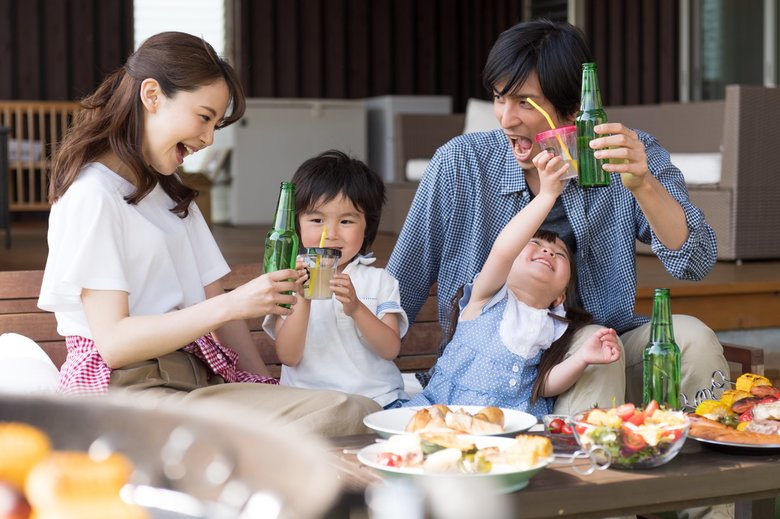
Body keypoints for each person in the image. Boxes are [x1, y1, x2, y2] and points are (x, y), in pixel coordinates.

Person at [37, 32, 380, 437]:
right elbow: (114, 342)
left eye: (216, 124)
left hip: (196, 380)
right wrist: (235, 304)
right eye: (204, 117)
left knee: (359, 411)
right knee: (343, 416)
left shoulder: (169, 193)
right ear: (152, 95)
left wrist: (265, 386)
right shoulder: (93, 195)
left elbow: (218, 302)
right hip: (129, 389)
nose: (208, 138)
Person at [387, 19, 730, 415]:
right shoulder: (460, 165)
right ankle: (588, 473)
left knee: (692, 339)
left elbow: (696, 261)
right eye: (500, 98)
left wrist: (643, 184)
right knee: (598, 352)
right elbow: (400, 290)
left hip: (605, 346)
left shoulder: (628, 154)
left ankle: (708, 469)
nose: (505, 118)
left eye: (524, 103)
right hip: (494, 371)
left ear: (572, 108)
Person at [405, 147, 620, 416]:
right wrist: (547, 196)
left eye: (560, 254)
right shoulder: (487, 298)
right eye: (535, 244)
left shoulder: (550, 326)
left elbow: (543, 385)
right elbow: (504, 250)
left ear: (560, 297)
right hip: (447, 412)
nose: (548, 251)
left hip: (511, 424)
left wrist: (582, 359)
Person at [263, 150, 410, 409]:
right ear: (297, 224)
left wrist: (357, 309)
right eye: (317, 220)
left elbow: (389, 350)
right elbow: (289, 356)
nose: (330, 234)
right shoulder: (287, 280)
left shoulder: (379, 281)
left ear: (367, 228)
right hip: (308, 404)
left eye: (346, 221)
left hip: (377, 401)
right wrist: (303, 298)